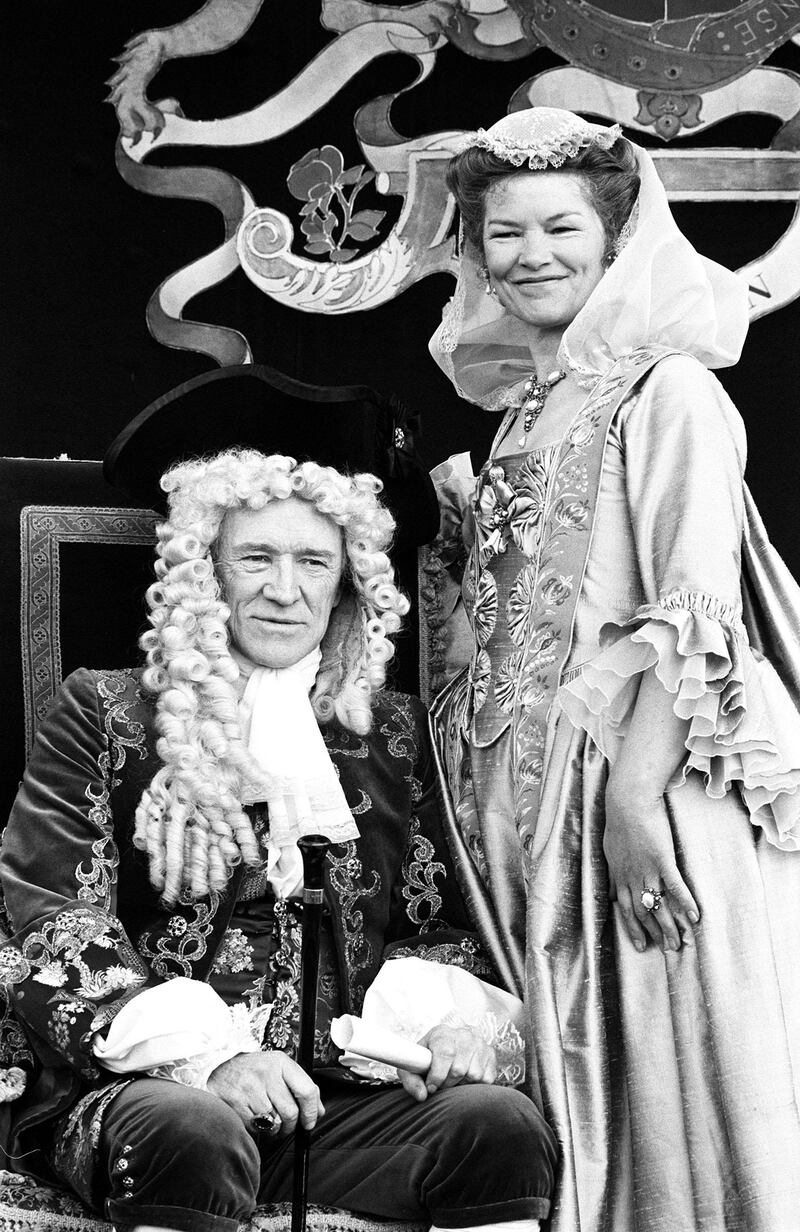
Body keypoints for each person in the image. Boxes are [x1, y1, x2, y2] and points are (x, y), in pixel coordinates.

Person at [0, 448, 557, 1232]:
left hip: (340, 1102)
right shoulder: (104, 710)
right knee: (192, 1133)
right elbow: (54, 916)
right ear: (208, 574)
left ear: (345, 585)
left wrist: (448, 1022)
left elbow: (435, 923)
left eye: (312, 562)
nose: (284, 590)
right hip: (158, 1089)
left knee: (496, 1128)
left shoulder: (394, 734)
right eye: (255, 558)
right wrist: (213, 1060)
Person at [427, 107, 800, 1232]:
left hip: (639, 780)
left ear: (615, 237)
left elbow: (693, 609)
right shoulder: (523, 413)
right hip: (528, 801)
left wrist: (633, 804)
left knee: (666, 1090)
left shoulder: (667, 390)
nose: (530, 255)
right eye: (503, 234)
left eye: (559, 229)